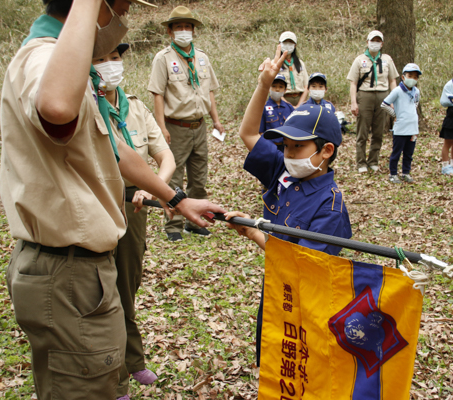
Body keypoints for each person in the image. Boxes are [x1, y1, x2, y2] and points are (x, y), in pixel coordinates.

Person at [0, 1, 224, 398]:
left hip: (77, 269)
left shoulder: (75, 71)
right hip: (67, 269)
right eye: (118, 7)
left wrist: (177, 198)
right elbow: (55, 108)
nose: (121, 20)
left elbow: (115, 149)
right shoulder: (46, 59)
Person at [228, 45, 352, 366]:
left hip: (305, 307)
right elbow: (248, 133)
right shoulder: (284, 170)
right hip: (274, 294)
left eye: (297, 147)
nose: (288, 153)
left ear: (325, 151)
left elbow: (302, 268)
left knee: (298, 367)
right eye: (284, 145)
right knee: (270, 361)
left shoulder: (330, 208)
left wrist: (254, 230)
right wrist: (263, 86)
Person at [92, 44, 176, 399]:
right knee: (99, 292)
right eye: (102, 59)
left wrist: (152, 186)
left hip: (135, 209)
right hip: (97, 207)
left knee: (127, 287)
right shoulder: (87, 109)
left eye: (116, 58)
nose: (111, 65)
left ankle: (132, 360)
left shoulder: (137, 107)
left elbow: (164, 155)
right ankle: (114, 377)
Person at [149, 6, 224, 242]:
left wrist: (216, 120)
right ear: (170, 32)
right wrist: (161, 127)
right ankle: (173, 224)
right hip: (175, 126)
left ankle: (195, 221)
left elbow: (209, 91)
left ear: (193, 31)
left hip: (198, 125)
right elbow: (158, 94)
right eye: (179, 27)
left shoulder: (202, 57)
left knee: (199, 176)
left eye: (187, 27)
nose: (184, 31)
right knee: (174, 176)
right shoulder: (163, 59)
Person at [347, 30, 399, 174]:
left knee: (378, 131)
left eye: (378, 41)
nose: (375, 43)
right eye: (372, 40)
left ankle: (373, 161)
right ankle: (361, 162)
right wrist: (353, 102)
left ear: (382, 44)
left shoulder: (387, 59)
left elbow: (393, 80)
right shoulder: (360, 60)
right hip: (365, 96)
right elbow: (353, 83)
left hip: (383, 95)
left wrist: (393, 99)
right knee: (362, 131)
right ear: (367, 42)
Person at [381, 63, 422, 184]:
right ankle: (393, 173)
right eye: (410, 75)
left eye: (415, 77)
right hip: (400, 128)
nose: (412, 79)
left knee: (409, 153)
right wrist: (396, 114)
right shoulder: (397, 91)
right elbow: (384, 104)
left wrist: (411, 113)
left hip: (413, 127)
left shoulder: (416, 92)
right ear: (403, 77)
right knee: (397, 152)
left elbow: (416, 103)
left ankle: (406, 172)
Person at [259, 74, 294, 151]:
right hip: (270, 148)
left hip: (287, 148)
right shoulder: (263, 108)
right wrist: (267, 147)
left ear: (285, 90)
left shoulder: (289, 107)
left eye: (281, 87)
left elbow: (294, 128)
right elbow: (260, 132)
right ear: (269, 88)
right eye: (274, 86)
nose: (277, 89)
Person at [276, 31, 309, 106]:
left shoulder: (300, 63)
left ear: (295, 45)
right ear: (279, 44)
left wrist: (299, 105)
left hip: (300, 99)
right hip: (282, 100)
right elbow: (271, 87)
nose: (288, 44)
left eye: (290, 42)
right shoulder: (275, 64)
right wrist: (287, 104)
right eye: (285, 42)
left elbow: (306, 86)